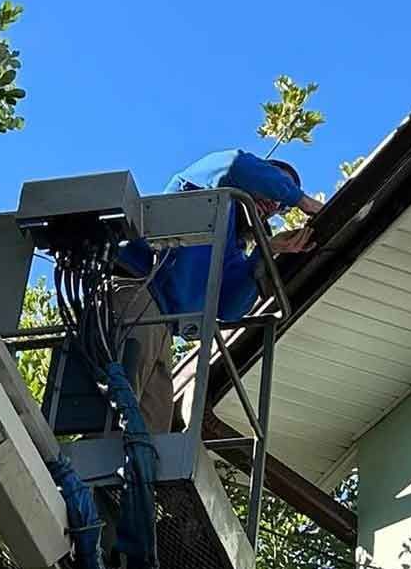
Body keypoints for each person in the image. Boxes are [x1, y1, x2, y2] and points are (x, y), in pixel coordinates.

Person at [115, 150, 323, 433]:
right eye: (277, 186)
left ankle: (132, 476)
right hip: (135, 294)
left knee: (152, 429)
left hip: (162, 326)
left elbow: (228, 307)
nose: (276, 203)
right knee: (118, 407)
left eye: (281, 206)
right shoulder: (203, 184)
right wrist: (302, 201)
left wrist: (267, 250)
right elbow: (235, 164)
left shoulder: (231, 249)